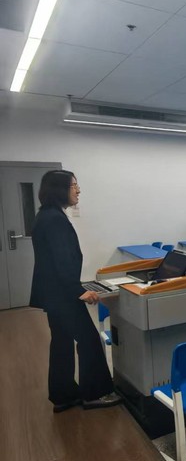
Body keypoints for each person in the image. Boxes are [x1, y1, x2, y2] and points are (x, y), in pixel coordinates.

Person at [30, 170, 122, 412]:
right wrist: (77, 290)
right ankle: (95, 394)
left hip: (54, 293)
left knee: (61, 343)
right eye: (74, 185)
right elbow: (60, 260)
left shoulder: (47, 215)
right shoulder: (54, 219)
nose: (78, 190)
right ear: (60, 189)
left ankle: (63, 395)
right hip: (63, 294)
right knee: (89, 340)